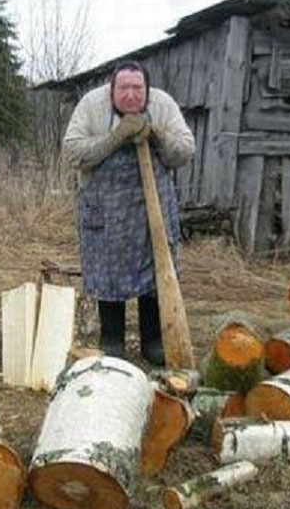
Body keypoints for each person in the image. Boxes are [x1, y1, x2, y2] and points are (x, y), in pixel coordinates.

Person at [62, 60, 195, 365]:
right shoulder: (91, 105)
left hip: (153, 208)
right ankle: (111, 339)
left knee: (156, 268)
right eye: (124, 88)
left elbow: (185, 152)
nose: (132, 95)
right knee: (108, 272)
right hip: (105, 211)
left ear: (147, 90)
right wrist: (116, 136)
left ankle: (153, 341)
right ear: (112, 88)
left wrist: (158, 136)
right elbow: (73, 153)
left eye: (138, 88)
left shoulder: (163, 104)